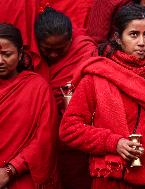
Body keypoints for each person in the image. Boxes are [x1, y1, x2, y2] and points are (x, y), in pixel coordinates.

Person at [60, 4, 145, 189]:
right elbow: (70, 129)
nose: (142, 42)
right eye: (134, 35)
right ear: (118, 38)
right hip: (112, 177)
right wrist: (114, 143)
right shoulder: (98, 76)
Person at [34, 7, 97, 189]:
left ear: (71, 40)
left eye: (60, 49)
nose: (53, 55)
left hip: (77, 139)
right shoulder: (30, 57)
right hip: (42, 136)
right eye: (47, 49)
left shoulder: (86, 51)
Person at [0, 23, 59, 189]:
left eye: (7, 54)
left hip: (23, 175)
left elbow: (45, 138)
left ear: (20, 55)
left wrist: (10, 170)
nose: (0, 61)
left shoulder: (37, 87)